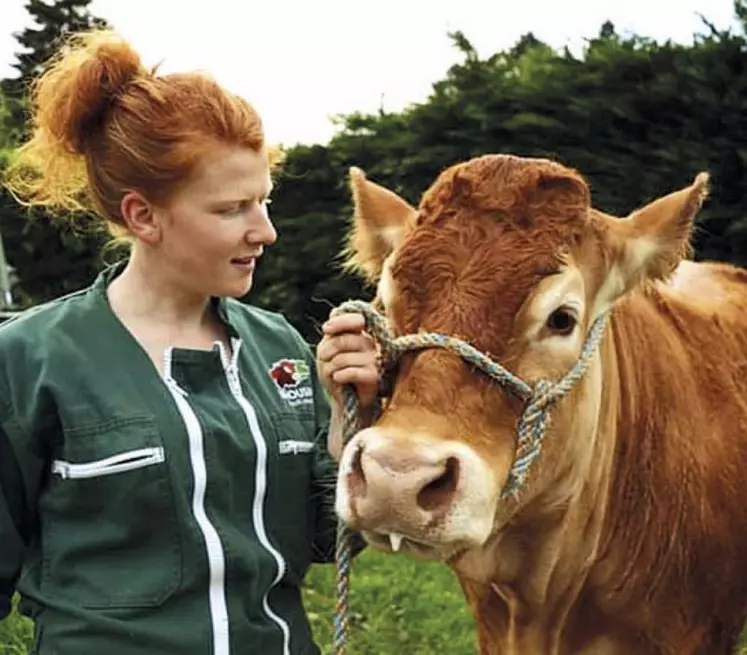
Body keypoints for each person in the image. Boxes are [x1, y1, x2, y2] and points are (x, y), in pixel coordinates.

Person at [0, 28, 379, 655]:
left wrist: (346, 419)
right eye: (233, 209)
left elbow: (325, 540)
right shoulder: (30, 360)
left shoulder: (278, 347)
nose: (267, 231)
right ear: (142, 216)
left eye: (265, 200)